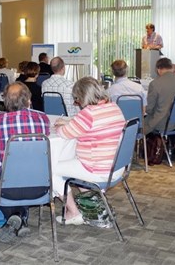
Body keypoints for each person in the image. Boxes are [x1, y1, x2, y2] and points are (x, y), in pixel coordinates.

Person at [53, 76, 126, 226]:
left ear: (82, 96)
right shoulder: (113, 107)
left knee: (50, 169)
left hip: (97, 170)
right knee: (72, 162)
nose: (77, 103)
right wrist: (71, 122)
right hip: (116, 167)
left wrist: (60, 126)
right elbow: (84, 124)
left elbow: (64, 133)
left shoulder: (89, 113)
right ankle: (90, 203)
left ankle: (73, 212)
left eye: (77, 99)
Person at [0, 82, 50, 241]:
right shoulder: (43, 118)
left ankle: (15, 215)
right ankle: (20, 216)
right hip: (40, 186)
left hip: (7, 190)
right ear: (28, 99)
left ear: (5, 101)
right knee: (23, 173)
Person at [144, 58, 175, 134]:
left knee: (140, 125)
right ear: (171, 67)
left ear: (158, 69)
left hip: (163, 124)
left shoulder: (155, 84)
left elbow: (148, 109)